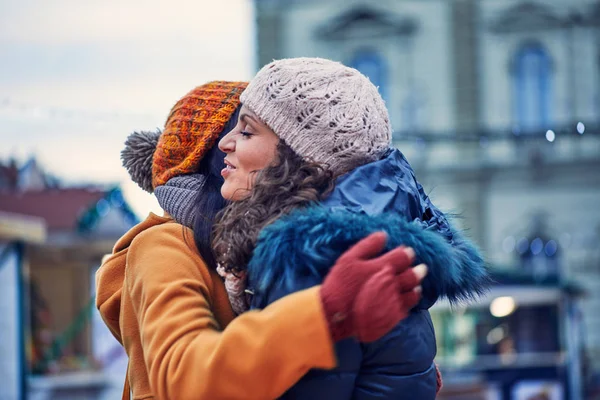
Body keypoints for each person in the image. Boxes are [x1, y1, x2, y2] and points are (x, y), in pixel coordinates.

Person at [96, 81, 426, 400]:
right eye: (241, 129)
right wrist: (323, 311)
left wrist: (382, 368)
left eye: (249, 130)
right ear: (214, 157)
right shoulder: (165, 246)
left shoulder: (258, 248)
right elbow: (184, 374)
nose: (231, 143)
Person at [212, 58, 490, 399]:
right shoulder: (359, 243)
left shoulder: (311, 258)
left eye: (246, 130)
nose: (225, 142)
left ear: (299, 153)